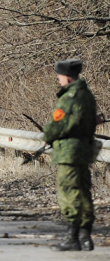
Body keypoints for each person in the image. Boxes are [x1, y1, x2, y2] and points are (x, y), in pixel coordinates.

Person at [43, 59, 97, 252]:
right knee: (83, 191)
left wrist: (46, 136)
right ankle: (85, 236)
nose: (58, 80)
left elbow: (58, 124)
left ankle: (73, 237)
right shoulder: (87, 95)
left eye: (59, 77)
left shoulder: (70, 97)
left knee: (69, 191)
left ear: (66, 77)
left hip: (69, 152)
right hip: (85, 150)